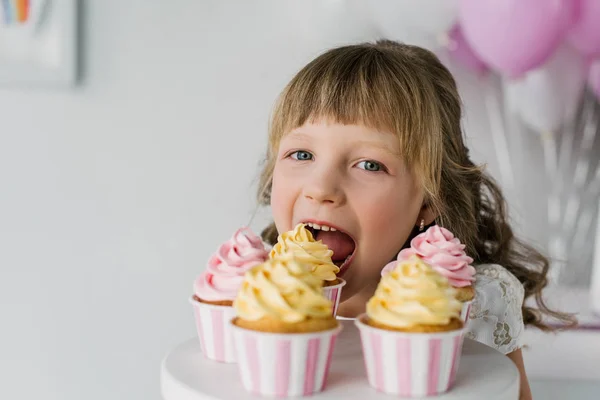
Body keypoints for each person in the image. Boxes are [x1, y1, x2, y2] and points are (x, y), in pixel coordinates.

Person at [256, 40, 574, 400]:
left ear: (427, 201)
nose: (321, 187)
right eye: (301, 153)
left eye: (370, 164)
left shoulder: (477, 303)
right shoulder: (251, 294)